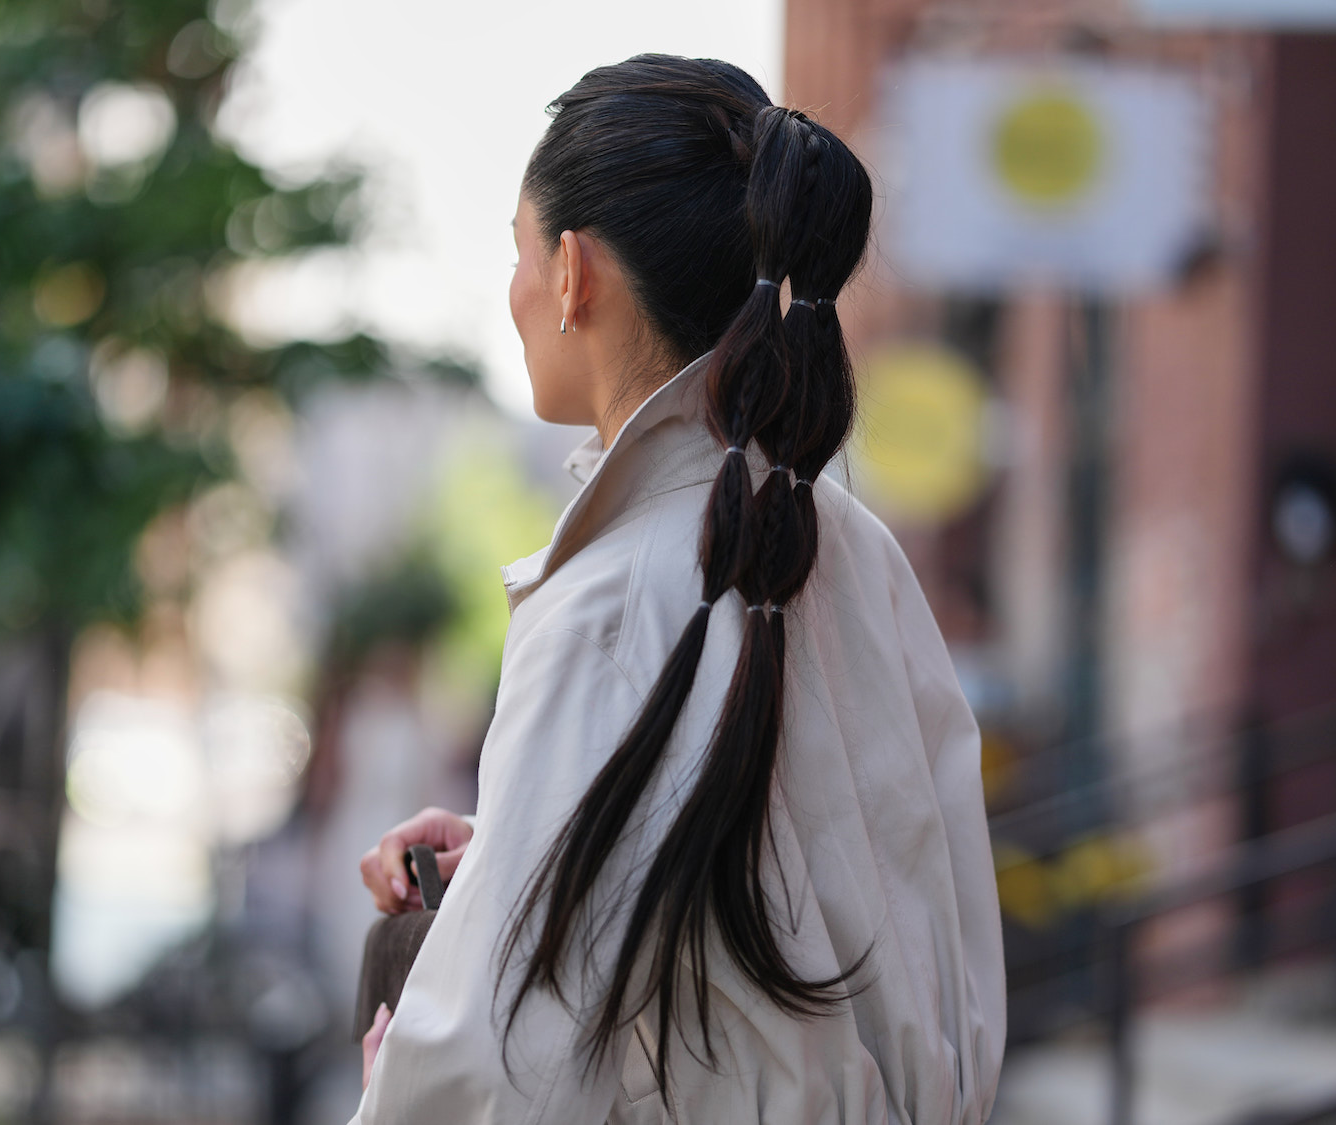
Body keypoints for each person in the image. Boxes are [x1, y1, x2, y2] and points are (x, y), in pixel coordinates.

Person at [351, 54, 1004, 1124]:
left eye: (514, 252)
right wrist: (521, 852)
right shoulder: (852, 548)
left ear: (570, 274)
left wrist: (399, 1083)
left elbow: (500, 1069)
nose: (511, 289)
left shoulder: (605, 600)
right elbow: (873, 904)